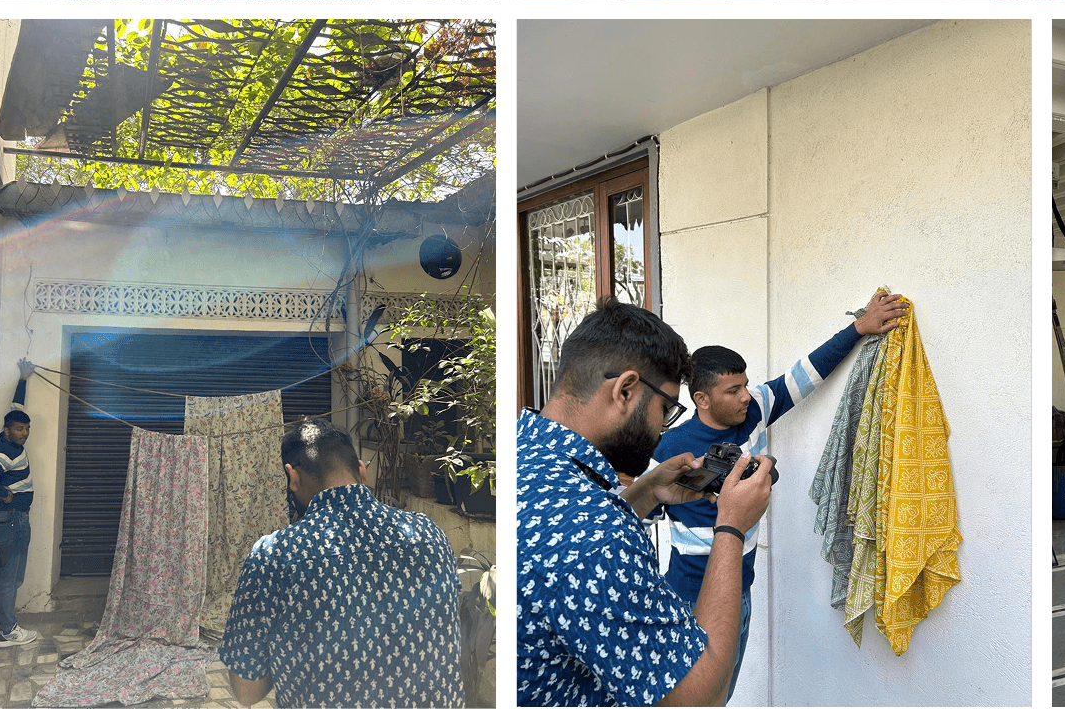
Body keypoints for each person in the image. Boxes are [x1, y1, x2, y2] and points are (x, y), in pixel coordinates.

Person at [650, 288, 909, 702]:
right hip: (687, 598)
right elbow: (634, 521)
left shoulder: (754, 409)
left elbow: (805, 374)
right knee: (691, 699)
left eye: (745, 385)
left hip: (741, 591)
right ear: (701, 399)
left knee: (722, 694)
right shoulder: (667, 449)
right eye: (732, 390)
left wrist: (860, 327)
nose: (745, 396)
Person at [517, 299, 774, 707]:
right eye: (665, 409)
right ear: (624, 390)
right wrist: (731, 526)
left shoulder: (522, 455)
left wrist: (647, 491)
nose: (662, 429)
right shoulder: (596, 535)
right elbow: (699, 697)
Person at [219, 420, 461, 709]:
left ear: (292, 477)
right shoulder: (428, 534)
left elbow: (247, 691)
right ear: (362, 470)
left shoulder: (275, 555)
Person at [0, 409, 38, 647]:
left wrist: (23, 379)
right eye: (19, 429)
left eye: (26, 428)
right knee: (10, 579)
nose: (24, 433)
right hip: (14, 521)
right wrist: (5, 495)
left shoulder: (0, 440)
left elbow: (15, 406)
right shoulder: (10, 451)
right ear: (8, 430)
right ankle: (8, 631)